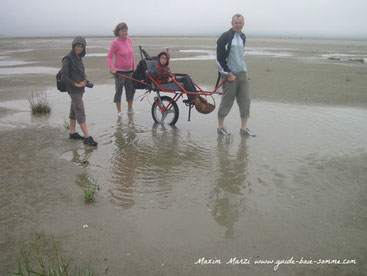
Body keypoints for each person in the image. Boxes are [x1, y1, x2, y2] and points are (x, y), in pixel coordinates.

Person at [216, 14, 255, 137]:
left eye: (240, 23)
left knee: (245, 102)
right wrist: (227, 74)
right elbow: (219, 58)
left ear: (243, 24)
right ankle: (220, 127)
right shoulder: (225, 37)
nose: (238, 25)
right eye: (236, 23)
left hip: (242, 74)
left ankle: (244, 129)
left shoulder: (243, 36)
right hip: (230, 75)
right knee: (226, 102)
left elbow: (240, 56)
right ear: (232, 23)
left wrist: (245, 72)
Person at [61, 36, 97, 146]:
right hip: (74, 89)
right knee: (80, 110)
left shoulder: (78, 57)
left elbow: (76, 71)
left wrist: (84, 79)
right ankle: (87, 136)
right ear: (73, 45)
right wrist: (76, 84)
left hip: (80, 89)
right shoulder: (68, 58)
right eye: (77, 46)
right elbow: (64, 76)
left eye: (81, 46)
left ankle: (72, 133)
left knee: (74, 109)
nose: (79, 48)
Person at [107, 22, 136, 116]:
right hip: (119, 73)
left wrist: (134, 68)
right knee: (118, 92)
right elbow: (109, 57)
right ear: (118, 32)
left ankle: (130, 109)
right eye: (122, 31)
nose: (124, 32)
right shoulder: (115, 43)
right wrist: (112, 69)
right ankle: (119, 111)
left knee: (131, 91)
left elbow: (131, 55)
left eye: (125, 30)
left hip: (130, 71)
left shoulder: (129, 40)